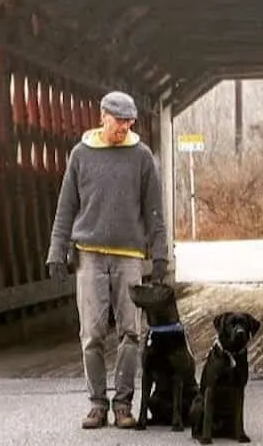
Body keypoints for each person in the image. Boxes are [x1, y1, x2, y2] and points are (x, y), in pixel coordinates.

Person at [46, 90, 169, 430]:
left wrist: (160, 256)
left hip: (129, 256)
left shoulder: (142, 156)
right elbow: (66, 207)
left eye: (130, 122)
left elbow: (154, 211)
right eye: (119, 121)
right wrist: (57, 252)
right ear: (103, 117)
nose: (124, 128)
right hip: (90, 256)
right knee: (92, 333)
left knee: (130, 332)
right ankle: (97, 404)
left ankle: (124, 404)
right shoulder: (81, 155)